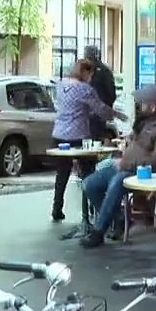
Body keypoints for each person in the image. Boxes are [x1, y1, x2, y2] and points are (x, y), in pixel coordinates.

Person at [80, 85, 156, 248]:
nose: (140, 106)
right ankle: (118, 220)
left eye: (142, 103)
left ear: (153, 106)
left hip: (143, 172)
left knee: (116, 183)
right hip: (124, 165)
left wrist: (129, 163)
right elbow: (135, 142)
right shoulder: (146, 120)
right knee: (89, 184)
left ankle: (98, 232)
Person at [51, 59, 122, 222]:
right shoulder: (85, 89)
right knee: (88, 173)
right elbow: (100, 109)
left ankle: (57, 208)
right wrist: (114, 114)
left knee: (62, 174)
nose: (91, 77)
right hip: (78, 135)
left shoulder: (60, 86)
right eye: (90, 74)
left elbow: (69, 107)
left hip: (59, 135)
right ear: (84, 72)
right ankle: (93, 209)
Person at [84, 45, 117, 139]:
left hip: (97, 114)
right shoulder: (101, 71)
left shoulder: (103, 72)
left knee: (95, 138)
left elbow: (111, 94)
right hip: (91, 113)